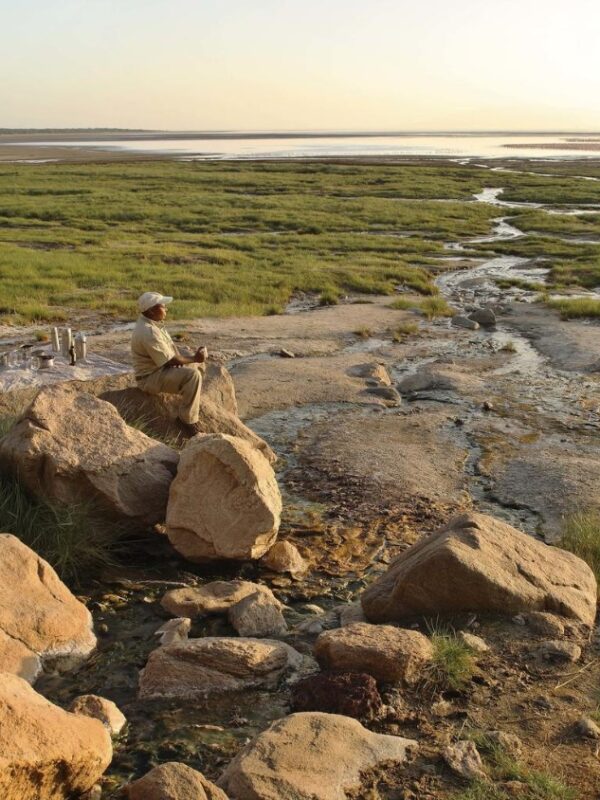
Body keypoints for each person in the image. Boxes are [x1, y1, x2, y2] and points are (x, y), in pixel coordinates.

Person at [131, 291, 207, 431]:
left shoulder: (152, 322)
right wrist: (195, 358)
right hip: (150, 378)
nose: (166, 308)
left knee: (194, 365)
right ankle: (187, 420)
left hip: (160, 369)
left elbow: (171, 354)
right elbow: (170, 361)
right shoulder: (149, 331)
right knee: (193, 375)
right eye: (163, 306)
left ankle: (191, 398)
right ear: (152, 310)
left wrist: (193, 360)